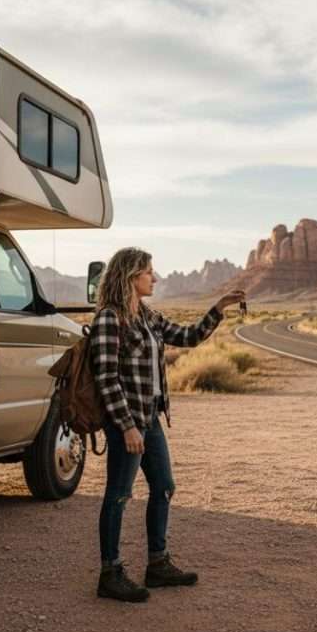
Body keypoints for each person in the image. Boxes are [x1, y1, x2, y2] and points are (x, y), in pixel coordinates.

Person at [89, 247, 246, 602]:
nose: (155, 278)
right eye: (149, 272)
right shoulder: (110, 319)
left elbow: (189, 337)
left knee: (163, 487)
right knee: (118, 495)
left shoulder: (147, 317)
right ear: (131, 276)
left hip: (151, 419)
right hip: (126, 423)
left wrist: (218, 308)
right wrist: (127, 427)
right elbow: (106, 378)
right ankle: (109, 573)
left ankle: (157, 565)